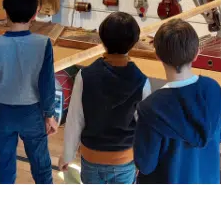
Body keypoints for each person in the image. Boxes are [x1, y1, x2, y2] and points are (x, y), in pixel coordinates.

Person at [134, 18, 221, 184]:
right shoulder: (213, 89)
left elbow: (145, 165)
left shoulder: (150, 108)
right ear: (196, 53)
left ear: (157, 56)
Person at [60, 12, 152, 184]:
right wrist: (142, 158)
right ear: (134, 43)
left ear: (101, 40)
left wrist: (67, 155)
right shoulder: (141, 81)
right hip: (124, 160)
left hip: (91, 158)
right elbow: (144, 126)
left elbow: (74, 119)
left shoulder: (85, 76)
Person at [0, 0, 56, 184]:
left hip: (1, 115)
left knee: (4, 170)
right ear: (35, 14)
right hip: (32, 114)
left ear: (5, 11)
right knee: (42, 168)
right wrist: (50, 114)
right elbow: (47, 84)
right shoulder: (44, 43)